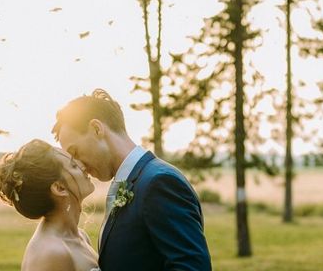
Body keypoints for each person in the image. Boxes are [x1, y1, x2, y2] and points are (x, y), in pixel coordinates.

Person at [53, 89, 212, 271]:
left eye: (75, 152)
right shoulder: (130, 181)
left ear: (97, 129)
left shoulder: (158, 183)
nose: (79, 165)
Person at [0, 138, 100, 271]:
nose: (83, 166)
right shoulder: (51, 253)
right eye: (74, 165)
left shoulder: (80, 236)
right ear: (59, 188)